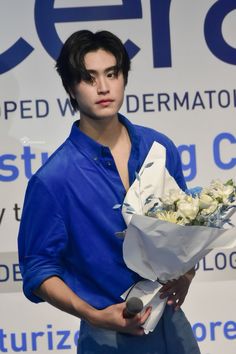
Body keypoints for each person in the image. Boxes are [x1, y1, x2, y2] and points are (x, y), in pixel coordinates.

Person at [18, 30, 200, 354]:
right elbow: (39, 269)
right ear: (71, 88)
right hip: (107, 337)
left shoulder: (159, 148)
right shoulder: (53, 180)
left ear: (123, 79)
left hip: (173, 324)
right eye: (89, 78)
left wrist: (186, 273)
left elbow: (186, 230)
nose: (103, 87)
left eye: (112, 74)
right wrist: (94, 316)